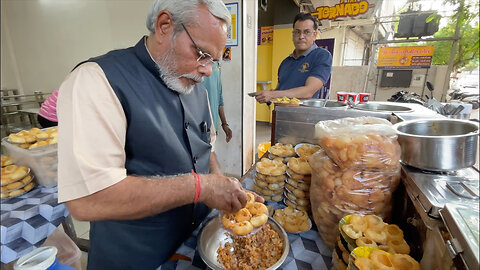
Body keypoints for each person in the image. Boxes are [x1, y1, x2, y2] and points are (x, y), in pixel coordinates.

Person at [56, 1, 262, 269]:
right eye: (201, 54)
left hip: (194, 245)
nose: (208, 70)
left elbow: (205, 148)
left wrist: (220, 185)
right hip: (136, 258)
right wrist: (202, 187)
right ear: (165, 26)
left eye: (214, 60)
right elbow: (87, 200)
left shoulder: (196, 89)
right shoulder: (97, 80)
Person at [255, 12, 332, 103]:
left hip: (305, 116)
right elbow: (280, 92)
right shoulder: (285, 62)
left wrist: (272, 94)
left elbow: (308, 92)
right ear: (292, 35)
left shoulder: (321, 56)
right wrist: (267, 95)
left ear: (315, 35)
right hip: (280, 114)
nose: (301, 36)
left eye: (307, 32)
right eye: (297, 32)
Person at [201, 62, 232, 142]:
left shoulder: (216, 66)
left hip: (212, 129)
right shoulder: (197, 67)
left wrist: (224, 124)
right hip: (198, 130)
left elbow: (219, 98)